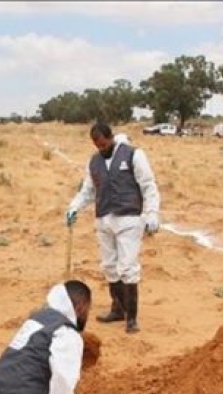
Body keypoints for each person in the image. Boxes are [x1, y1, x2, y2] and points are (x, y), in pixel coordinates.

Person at [65, 122, 160, 334]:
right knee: (109, 266)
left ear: (111, 138)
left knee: (127, 267)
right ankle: (117, 308)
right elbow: (88, 191)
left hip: (129, 219)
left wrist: (152, 212)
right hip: (104, 220)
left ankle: (132, 318)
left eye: (103, 144)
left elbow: (148, 185)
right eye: (97, 146)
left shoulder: (134, 155)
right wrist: (73, 207)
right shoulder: (94, 162)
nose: (101, 148)